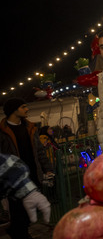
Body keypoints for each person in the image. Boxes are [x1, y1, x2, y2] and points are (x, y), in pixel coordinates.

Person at [0, 98, 54, 239]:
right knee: (18, 210)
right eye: (23, 107)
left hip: (33, 175)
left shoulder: (30, 128)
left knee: (30, 209)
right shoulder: (2, 132)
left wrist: (47, 168)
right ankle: (21, 233)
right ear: (14, 110)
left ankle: (17, 230)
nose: (27, 109)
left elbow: (40, 151)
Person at [1, 153, 51, 237]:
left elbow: (39, 152)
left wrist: (25, 189)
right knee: (19, 218)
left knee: (25, 216)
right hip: (13, 193)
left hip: (27, 181)